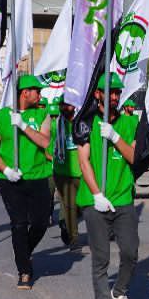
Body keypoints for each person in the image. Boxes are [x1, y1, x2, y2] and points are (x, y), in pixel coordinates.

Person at [73, 73, 141, 299]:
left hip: (123, 197)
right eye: (109, 92)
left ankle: (119, 292)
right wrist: (96, 194)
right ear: (98, 94)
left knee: (130, 252)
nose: (114, 96)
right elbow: (83, 161)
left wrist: (114, 137)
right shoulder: (84, 122)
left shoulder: (129, 122)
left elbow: (134, 157)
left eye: (117, 92)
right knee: (100, 258)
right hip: (95, 201)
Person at [0, 74, 54, 290]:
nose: (40, 94)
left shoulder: (43, 114)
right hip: (12, 181)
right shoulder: (1, 117)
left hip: (38, 177)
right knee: (19, 224)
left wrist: (24, 126)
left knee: (41, 222)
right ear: (25, 93)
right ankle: (24, 270)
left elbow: (45, 141)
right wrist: (6, 170)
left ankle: (24, 251)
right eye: (37, 90)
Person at [51, 100, 84, 251]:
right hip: (63, 173)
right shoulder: (55, 125)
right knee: (70, 206)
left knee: (83, 206)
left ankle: (66, 225)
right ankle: (74, 239)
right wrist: (56, 156)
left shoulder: (82, 124)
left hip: (82, 172)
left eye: (67, 105)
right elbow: (47, 146)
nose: (64, 108)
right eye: (62, 105)